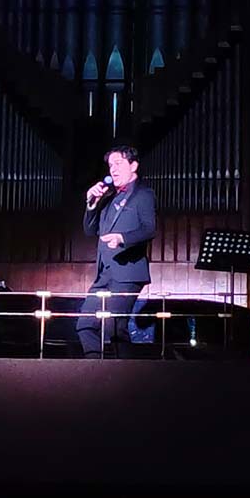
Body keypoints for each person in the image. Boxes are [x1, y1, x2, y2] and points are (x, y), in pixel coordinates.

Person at [79, 144, 157, 358]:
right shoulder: (108, 199)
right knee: (85, 325)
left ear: (133, 166)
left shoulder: (143, 194)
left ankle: (123, 371)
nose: (112, 169)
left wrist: (122, 238)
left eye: (118, 163)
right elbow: (89, 230)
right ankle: (95, 368)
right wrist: (91, 204)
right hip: (105, 274)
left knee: (113, 327)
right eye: (110, 165)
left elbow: (149, 229)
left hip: (128, 272)